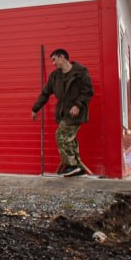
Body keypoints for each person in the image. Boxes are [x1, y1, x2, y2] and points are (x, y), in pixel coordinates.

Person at [31, 49, 93, 177]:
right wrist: (35, 108)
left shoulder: (81, 72)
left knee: (61, 135)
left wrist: (78, 105)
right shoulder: (55, 76)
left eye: (54, 59)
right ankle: (78, 168)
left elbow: (88, 91)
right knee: (70, 139)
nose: (53, 63)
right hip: (63, 113)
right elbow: (45, 93)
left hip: (77, 113)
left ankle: (71, 165)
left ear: (62, 57)